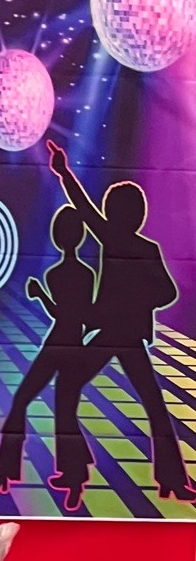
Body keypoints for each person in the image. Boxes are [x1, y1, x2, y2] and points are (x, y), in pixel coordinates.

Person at [48, 139, 196, 509]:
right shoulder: (133, 245)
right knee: (149, 405)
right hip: (118, 334)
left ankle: (167, 481)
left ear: (119, 214)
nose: (106, 212)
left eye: (111, 208)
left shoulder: (130, 244)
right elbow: (166, 292)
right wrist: (64, 173)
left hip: (121, 334)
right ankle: (169, 481)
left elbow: (166, 292)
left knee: (73, 391)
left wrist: (64, 172)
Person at [0, 205, 95, 511]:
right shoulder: (83, 273)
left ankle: (63, 477)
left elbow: (66, 314)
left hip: (62, 343)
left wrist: (41, 294)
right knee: (57, 410)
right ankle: (69, 476)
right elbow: (79, 317)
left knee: (40, 405)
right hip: (67, 344)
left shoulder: (59, 274)